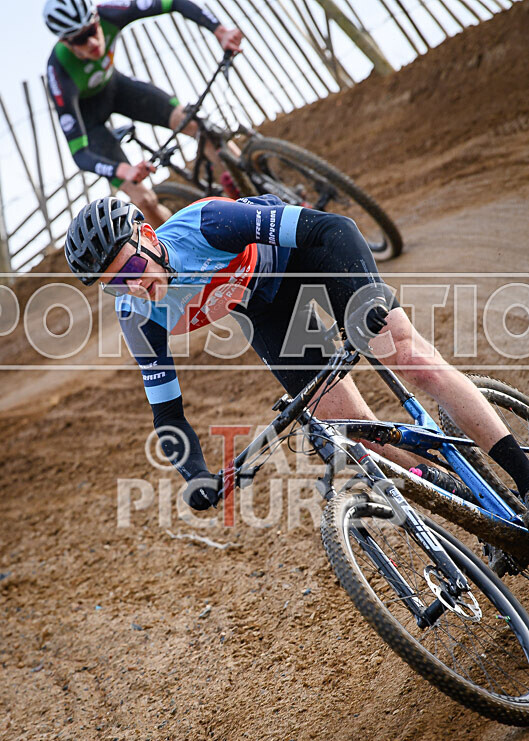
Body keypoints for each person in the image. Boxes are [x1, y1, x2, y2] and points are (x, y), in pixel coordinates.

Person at [65, 194, 529, 576]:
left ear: (146, 237)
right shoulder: (138, 315)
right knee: (360, 436)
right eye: (114, 285)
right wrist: (197, 476)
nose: (131, 288)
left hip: (308, 253)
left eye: (130, 271)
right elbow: (168, 414)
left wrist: (363, 297)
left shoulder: (208, 224)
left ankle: (524, 477)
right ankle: (475, 508)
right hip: (268, 309)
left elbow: (334, 229)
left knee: (405, 353)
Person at [44, 0, 242, 227]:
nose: (92, 42)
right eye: (80, 39)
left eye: (91, 30)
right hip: (91, 123)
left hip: (116, 88)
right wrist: (122, 170)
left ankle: (243, 184)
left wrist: (220, 30)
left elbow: (173, 2)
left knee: (194, 124)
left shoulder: (109, 13)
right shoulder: (59, 73)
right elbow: (79, 153)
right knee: (143, 200)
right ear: (64, 42)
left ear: (96, 19)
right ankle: (176, 258)